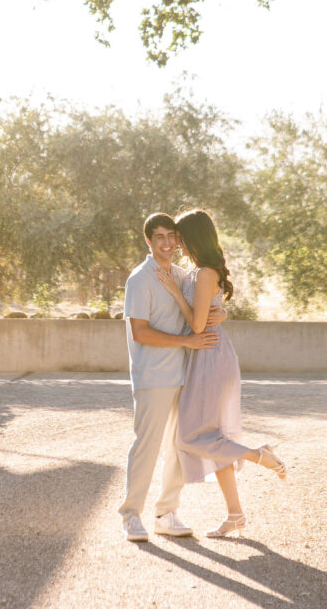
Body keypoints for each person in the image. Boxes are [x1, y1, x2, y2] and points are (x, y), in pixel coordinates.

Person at [156, 208, 287, 538]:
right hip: (209, 354)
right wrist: (219, 311)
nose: (178, 245)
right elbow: (211, 311)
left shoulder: (203, 274)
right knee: (215, 437)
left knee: (190, 436)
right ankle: (235, 514)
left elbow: (197, 324)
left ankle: (259, 455)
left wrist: (174, 291)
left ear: (194, 238)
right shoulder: (202, 271)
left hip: (209, 356)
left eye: (181, 239)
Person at [119, 212, 226, 542]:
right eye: (159, 236)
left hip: (188, 372)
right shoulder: (139, 279)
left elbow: (206, 309)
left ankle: (166, 512)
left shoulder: (182, 276)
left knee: (181, 445)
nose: (167, 242)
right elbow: (140, 332)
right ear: (148, 241)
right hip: (153, 375)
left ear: (179, 241)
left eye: (172, 236)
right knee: (147, 446)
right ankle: (130, 515)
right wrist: (187, 341)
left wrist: (220, 312)